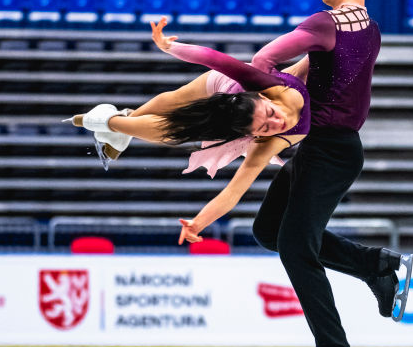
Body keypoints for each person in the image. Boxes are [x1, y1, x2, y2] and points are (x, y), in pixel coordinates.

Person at [242, 0, 413, 347]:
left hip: (329, 149)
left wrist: (250, 101)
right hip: (326, 148)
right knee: (269, 232)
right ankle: (374, 264)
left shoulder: (325, 25)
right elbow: (302, 77)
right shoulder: (370, 30)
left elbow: (264, 61)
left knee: (297, 246)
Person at [72, 18, 310, 239]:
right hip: (226, 88)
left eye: (268, 128)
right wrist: (168, 47)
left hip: (233, 121)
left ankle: (112, 122)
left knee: (173, 131)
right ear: (264, 97)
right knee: (173, 103)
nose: (280, 123)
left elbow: (234, 191)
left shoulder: (268, 141)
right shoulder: (266, 83)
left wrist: (198, 222)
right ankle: (114, 121)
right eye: (271, 115)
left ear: (256, 136)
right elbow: (213, 58)